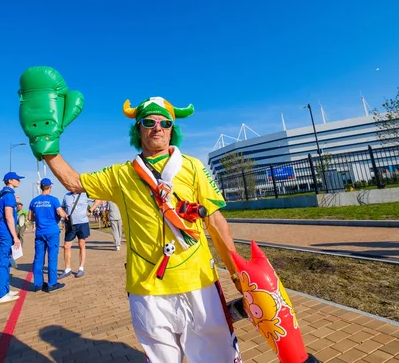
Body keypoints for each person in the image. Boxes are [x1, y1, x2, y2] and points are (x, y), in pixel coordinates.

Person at [20, 87, 243, 361]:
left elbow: (217, 224)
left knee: (218, 358)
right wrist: (47, 145)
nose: (157, 128)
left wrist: (238, 274)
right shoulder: (121, 175)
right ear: (138, 130)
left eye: (165, 122)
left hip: (200, 284)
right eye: (148, 122)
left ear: (173, 130)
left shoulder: (195, 167)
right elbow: (74, 182)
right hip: (146, 291)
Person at [28, 178, 67, 292]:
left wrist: (40, 218)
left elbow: (30, 218)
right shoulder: (54, 200)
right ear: (50, 187)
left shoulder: (34, 201)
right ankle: (52, 284)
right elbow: (61, 214)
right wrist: (64, 214)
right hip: (52, 232)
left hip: (40, 232)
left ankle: (38, 284)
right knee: (52, 258)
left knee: (38, 258)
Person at [0, 171, 23, 305]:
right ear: (10, 180)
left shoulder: (1, 194)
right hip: (5, 233)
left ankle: (5, 290)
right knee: (3, 262)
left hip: (1, 231)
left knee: (6, 261)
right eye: (17, 179)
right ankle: (0, 295)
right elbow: (9, 217)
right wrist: (15, 237)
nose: (19, 181)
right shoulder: (8, 195)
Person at [59, 192, 100, 279]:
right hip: (71, 224)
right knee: (66, 246)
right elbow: (62, 208)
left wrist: (90, 210)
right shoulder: (66, 196)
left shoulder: (85, 194)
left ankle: (81, 268)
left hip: (82, 223)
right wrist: (63, 214)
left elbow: (97, 200)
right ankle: (67, 268)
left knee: (81, 244)